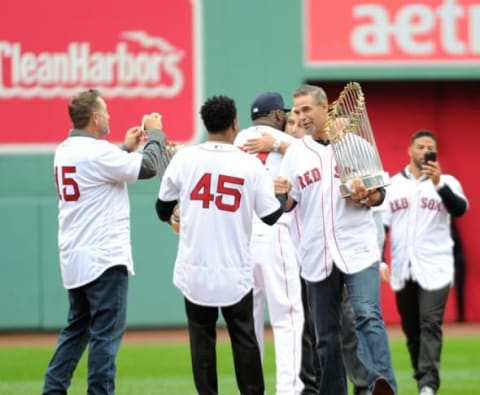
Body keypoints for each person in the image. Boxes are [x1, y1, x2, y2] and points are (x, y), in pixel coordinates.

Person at [155, 95, 288, 395]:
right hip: (234, 270)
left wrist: (179, 216)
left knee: (202, 342)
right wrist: (280, 194)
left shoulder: (185, 158)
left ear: (206, 123)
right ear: (234, 123)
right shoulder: (248, 163)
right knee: (244, 340)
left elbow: (162, 208)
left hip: (195, 267)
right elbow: (270, 217)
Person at [43, 88, 169, 395]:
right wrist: (156, 133)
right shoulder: (97, 152)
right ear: (95, 117)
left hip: (75, 257)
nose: (110, 116)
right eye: (106, 111)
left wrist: (124, 149)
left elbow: (100, 171)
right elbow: (149, 167)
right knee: (105, 335)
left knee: (77, 330)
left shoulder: (65, 149)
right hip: (103, 258)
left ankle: (53, 390)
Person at [276, 84, 397, 395]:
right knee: (326, 338)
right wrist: (281, 195)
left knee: (367, 315)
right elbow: (289, 203)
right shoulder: (294, 156)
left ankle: (382, 385)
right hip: (316, 253)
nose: (301, 117)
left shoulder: (357, 145)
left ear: (324, 107)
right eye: (296, 111)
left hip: (358, 248)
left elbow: (380, 194)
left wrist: (368, 194)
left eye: (306, 109)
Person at [380, 130, 468, 395]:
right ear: (410, 150)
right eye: (420, 146)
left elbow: (460, 209)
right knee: (412, 328)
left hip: (436, 266)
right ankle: (423, 379)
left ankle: (428, 385)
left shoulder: (448, 182)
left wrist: (439, 183)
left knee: (430, 322)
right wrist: (380, 260)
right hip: (403, 268)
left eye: (430, 147)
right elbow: (381, 226)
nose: (425, 151)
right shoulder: (393, 185)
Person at [234, 92, 304, 394]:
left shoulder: (236, 142)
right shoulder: (290, 144)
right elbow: (317, 158)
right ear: (278, 115)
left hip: (240, 237)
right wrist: (279, 144)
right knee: (287, 316)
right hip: (275, 231)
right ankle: (288, 390)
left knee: (248, 321)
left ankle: (251, 389)